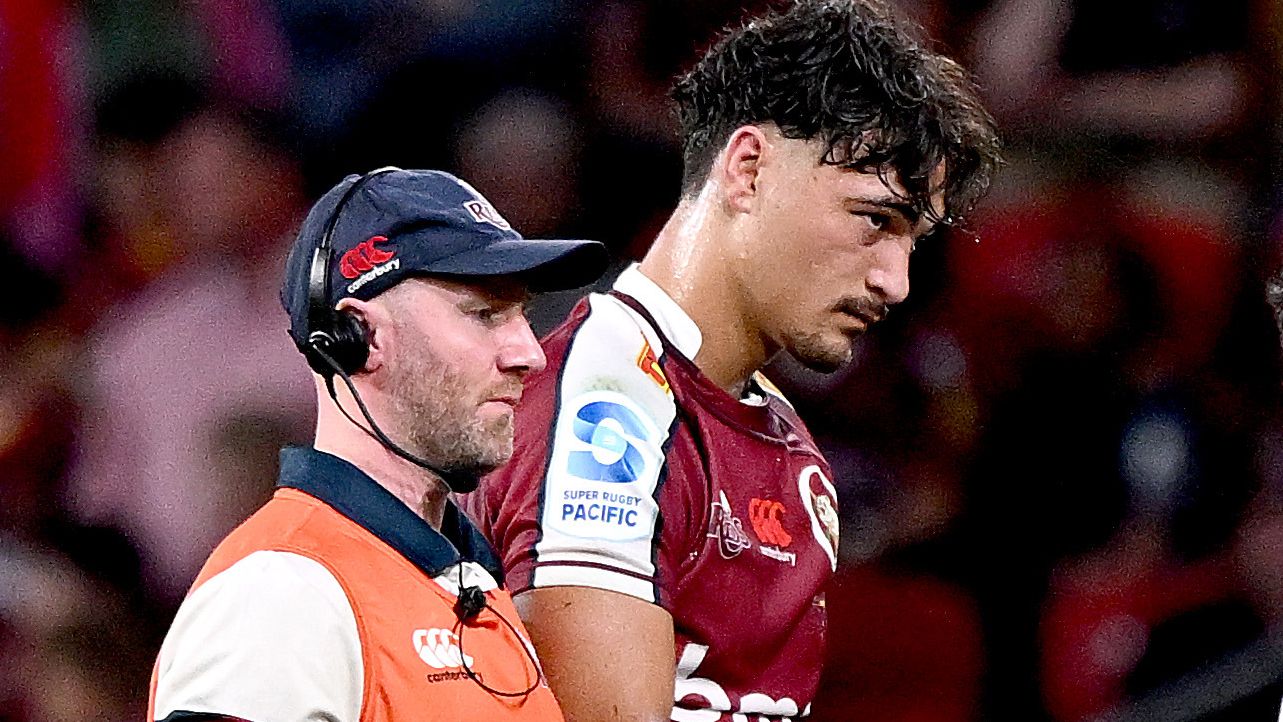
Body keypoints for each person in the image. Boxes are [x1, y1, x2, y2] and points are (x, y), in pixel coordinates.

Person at [460, 1, 1002, 720]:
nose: (894, 281)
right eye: (874, 220)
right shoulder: (605, 410)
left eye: (912, 241)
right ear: (747, 169)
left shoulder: (786, 440)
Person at [147, 167, 607, 722]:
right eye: (485, 314)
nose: (529, 353)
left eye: (521, 315)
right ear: (361, 337)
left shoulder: (472, 581)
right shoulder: (282, 594)